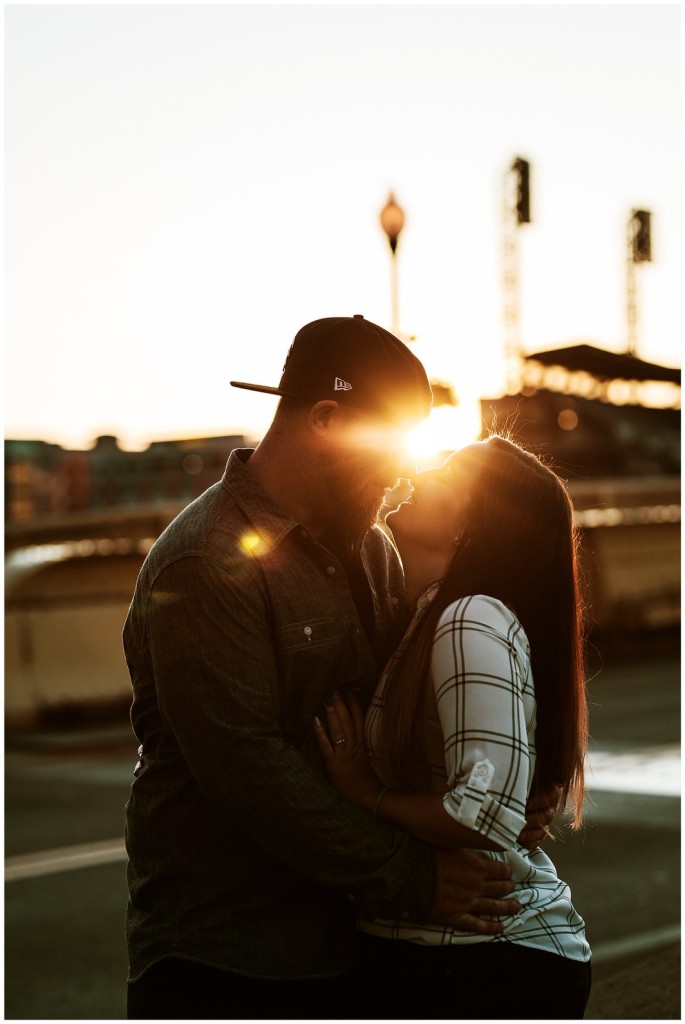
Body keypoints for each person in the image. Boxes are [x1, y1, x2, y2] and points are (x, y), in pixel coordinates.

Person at [124, 316, 542, 1020]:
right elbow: (244, 763)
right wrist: (411, 876)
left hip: (348, 942)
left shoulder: (370, 547)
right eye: (391, 448)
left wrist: (493, 789)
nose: (404, 474)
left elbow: (392, 718)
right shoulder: (204, 559)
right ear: (325, 420)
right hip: (228, 958)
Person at [315, 435, 592, 1020]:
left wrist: (368, 793)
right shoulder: (428, 615)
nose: (421, 471)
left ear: (472, 523)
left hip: (486, 963)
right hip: (453, 960)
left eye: (446, 472)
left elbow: (485, 811)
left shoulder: (468, 618)